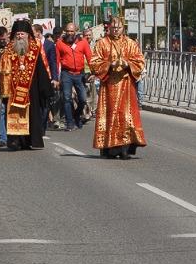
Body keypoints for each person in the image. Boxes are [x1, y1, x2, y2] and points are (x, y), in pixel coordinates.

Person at [90, 17, 147, 159]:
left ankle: (125, 148)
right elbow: (94, 62)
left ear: (123, 28)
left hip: (126, 87)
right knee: (109, 116)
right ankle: (109, 148)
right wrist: (109, 65)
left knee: (126, 116)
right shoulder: (102, 43)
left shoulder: (131, 43)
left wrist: (128, 64)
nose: (116, 30)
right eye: (113, 28)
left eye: (119, 28)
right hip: (109, 86)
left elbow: (140, 61)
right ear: (109, 28)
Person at [0, 19, 52, 151]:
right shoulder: (8, 50)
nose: (20, 36)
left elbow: (42, 69)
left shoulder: (35, 48)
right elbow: (2, 71)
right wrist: (4, 90)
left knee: (32, 115)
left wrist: (45, 89)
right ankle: (15, 141)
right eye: (17, 34)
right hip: (13, 89)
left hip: (31, 89)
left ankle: (29, 141)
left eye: (22, 34)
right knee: (15, 115)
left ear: (28, 34)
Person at [56, 22, 92, 131]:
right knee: (67, 98)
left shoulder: (83, 42)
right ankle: (70, 123)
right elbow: (57, 60)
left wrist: (94, 72)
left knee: (82, 99)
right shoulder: (60, 43)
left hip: (79, 74)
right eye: (68, 31)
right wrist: (56, 77)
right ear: (65, 31)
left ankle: (76, 116)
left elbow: (90, 57)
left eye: (72, 31)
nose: (70, 33)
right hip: (66, 73)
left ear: (75, 31)